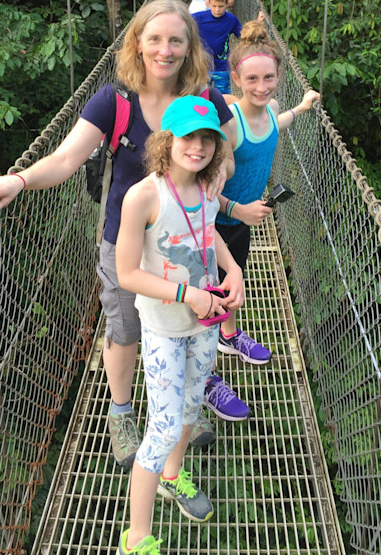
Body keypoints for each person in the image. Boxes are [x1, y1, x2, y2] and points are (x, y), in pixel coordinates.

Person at [0, 0, 254, 468]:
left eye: (176, 41)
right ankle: (123, 412)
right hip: (127, 239)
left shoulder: (205, 97)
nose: (165, 50)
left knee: (190, 319)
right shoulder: (114, 101)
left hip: (188, 236)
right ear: (138, 44)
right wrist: (20, 180)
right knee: (125, 329)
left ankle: (185, 407)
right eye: (155, 39)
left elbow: (227, 147)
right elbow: (67, 159)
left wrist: (220, 170)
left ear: (190, 48)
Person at [114, 95, 241, 555]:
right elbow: (127, 273)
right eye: (189, 136)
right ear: (166, 141)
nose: (199, 146)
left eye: (208, 138)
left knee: (189, 411)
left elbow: (210, 233)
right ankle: (138, 538)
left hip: (204, 324)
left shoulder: (208, 187)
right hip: (166, 327)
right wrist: (190, 294)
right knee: (164, 427)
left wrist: (234, 271)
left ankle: (173, 476)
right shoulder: (144, 196)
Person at [208, 16, 322, 372]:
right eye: (252, 79)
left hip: (244, 221)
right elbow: (205, 187)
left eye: (269, 78)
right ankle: (205, 362)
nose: (261, 87)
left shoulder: (271, 110)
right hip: (213, 223)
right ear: (236, 80)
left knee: (235, 276)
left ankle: (229, 335)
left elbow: (277, 120)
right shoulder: (230, 125)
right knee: (210, 290)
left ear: (278, 79)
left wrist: (302, 108)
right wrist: (236, 208)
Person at [191, 0, 240, 95]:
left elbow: (243, 35)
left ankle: (222, 112)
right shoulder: (199, 17)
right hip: (202, 65)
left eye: (221, 6)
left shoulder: (231, 19)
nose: (217, 9)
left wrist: (257, 23)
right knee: (200, 94)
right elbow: (182, 21)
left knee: (223, 96)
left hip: (222, 66)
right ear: (208, 3)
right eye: (214, 6)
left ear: (227, 4)